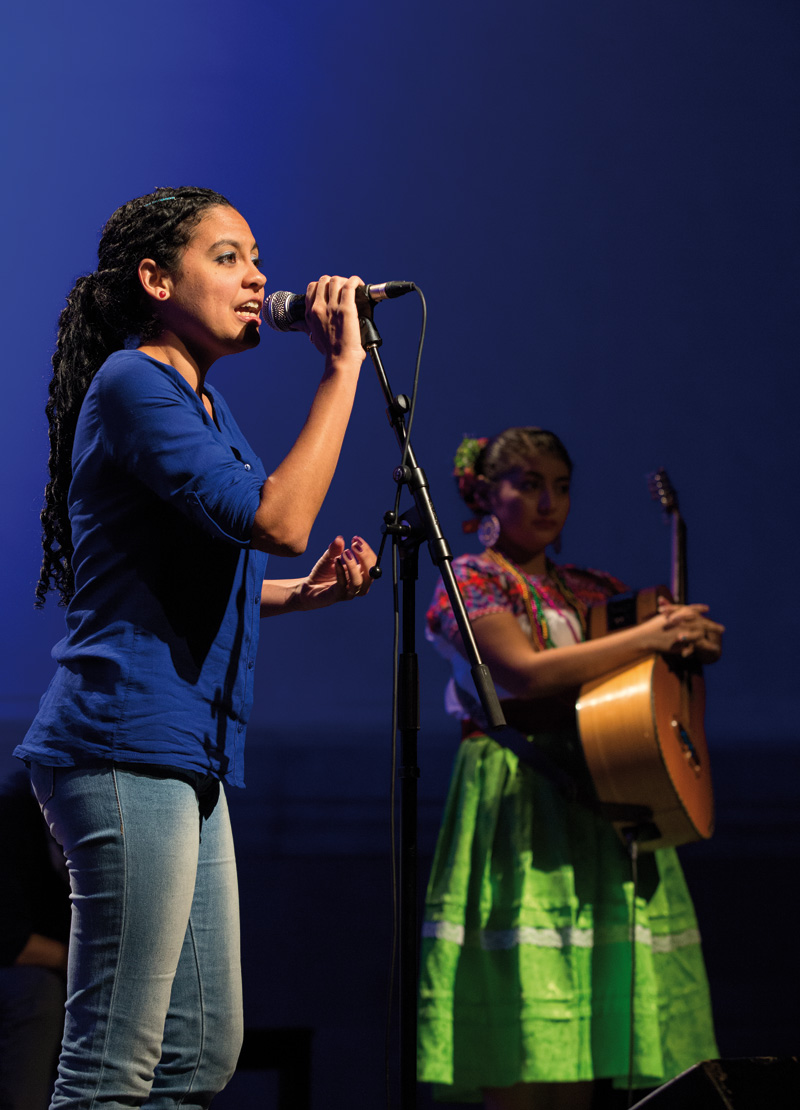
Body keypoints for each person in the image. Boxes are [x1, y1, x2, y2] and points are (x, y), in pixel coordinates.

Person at [13, 185, 376, 1109]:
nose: (259, 278)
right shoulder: (136, 382)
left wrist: (310, 593)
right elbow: (281, 520)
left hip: (187, 754)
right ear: (155, 279)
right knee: (113, 1064)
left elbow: (204, 567)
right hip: (124, 744)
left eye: (257, 257)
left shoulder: (203, 406)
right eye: (228, 257)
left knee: (200, 1055)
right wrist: (342, 371)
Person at [417, 427, 723, 1110]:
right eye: (527, 483)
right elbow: (521, 674)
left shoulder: (596, 589)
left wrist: (690, 644)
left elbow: (646, 681)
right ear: (485, 493)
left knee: (592, 1035)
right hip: (518, 797)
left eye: (560, 485)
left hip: (604, 793)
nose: (548, 500)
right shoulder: (471, 580)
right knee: (531, 1014)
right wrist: (651, 637)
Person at [0, 769, 70, 1110]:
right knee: (37, 991)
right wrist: (86, 963)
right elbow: (9, 939)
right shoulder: (10, 818)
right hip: (17, 965)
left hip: (57, 960)